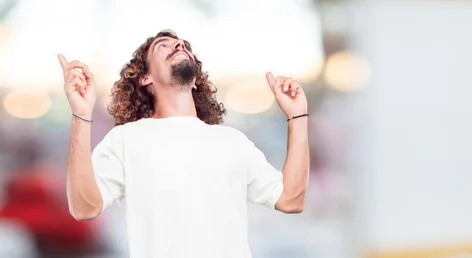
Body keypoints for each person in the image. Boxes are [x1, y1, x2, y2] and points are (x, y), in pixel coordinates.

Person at [57, 30, 310, 258]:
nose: (179, 44)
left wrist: (297, 116)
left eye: (183, 44)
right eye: (163, 46)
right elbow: (83, 208)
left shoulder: (232, 142)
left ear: (197, 79)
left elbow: (290, 199)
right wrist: (81, 114)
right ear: (145, 77)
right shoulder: (125, 140)